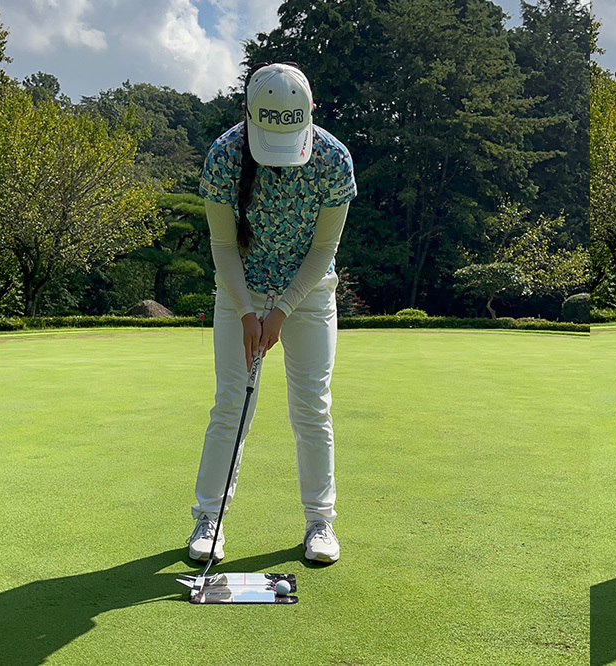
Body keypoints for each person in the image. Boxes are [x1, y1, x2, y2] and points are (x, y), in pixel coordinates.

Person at [187, 62, 356, 565]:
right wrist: (246, 311)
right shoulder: (224, 156)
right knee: (231, 405)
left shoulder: (333, 159)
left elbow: (324, 248)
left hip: (309, 292)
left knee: (312, 407)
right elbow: (223, 245)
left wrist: (280, 310)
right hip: (239, 287)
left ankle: (320, 522)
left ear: (310, 113)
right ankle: (209, 518)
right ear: (248, 114)